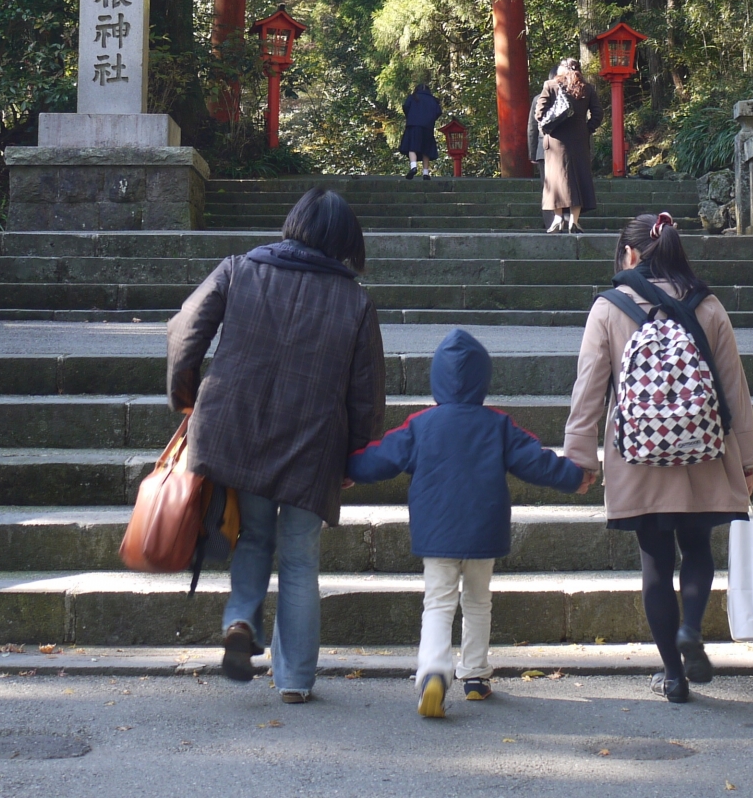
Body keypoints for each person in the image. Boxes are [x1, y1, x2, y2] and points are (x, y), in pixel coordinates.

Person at [166, 187, 386, 703]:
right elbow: (366, 391)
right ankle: (294, 681)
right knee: (300, 559)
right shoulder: (355, 300)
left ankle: (241, 618)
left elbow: (184, 331)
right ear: (343, 241)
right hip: (313, 444)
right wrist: (355, 453)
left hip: (239, 428)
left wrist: (187, 393)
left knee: (254, 536)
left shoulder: (238, 269)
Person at [561, 212, 753, 703]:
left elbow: (589, 390)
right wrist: (748, 460)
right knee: (697, 549)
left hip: (637, 455)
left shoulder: (607, 308)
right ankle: (691, 627)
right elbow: (733, 386)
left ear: (630, 255)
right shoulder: (707, 305)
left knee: (655, 562)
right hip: (704, 449)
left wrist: (580, 458)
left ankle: (672, 675)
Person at [348, 329, 588, 717]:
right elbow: (536, 460)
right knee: (478, 601)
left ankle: (432, 673)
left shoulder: (419, 425)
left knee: (438, 603)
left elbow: (379, 458)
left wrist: (344, 468)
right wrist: (574, 477)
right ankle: (475, 675)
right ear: (483, 378)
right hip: (484, 529)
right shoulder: (498, 424)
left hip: (436, 532)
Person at [531, 56, 601, 232]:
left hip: (556, 140)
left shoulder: (551, 86)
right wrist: (587, 129)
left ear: (561, 69)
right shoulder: (587, 89)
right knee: (578, 177)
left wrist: (549, 124)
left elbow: (539, 113)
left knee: (557, 179)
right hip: (579, 140)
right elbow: (598, 114)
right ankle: (574, 221)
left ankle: (557, 219)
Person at [400, 82, 442, 179]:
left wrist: (411, 117)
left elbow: (406, 107)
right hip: (428, 127)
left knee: (412, 147)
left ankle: (413, 167)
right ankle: (425, 173)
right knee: (426, 150)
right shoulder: (433, 100)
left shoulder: (413, 97)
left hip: (413, 125)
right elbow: (438, 112)